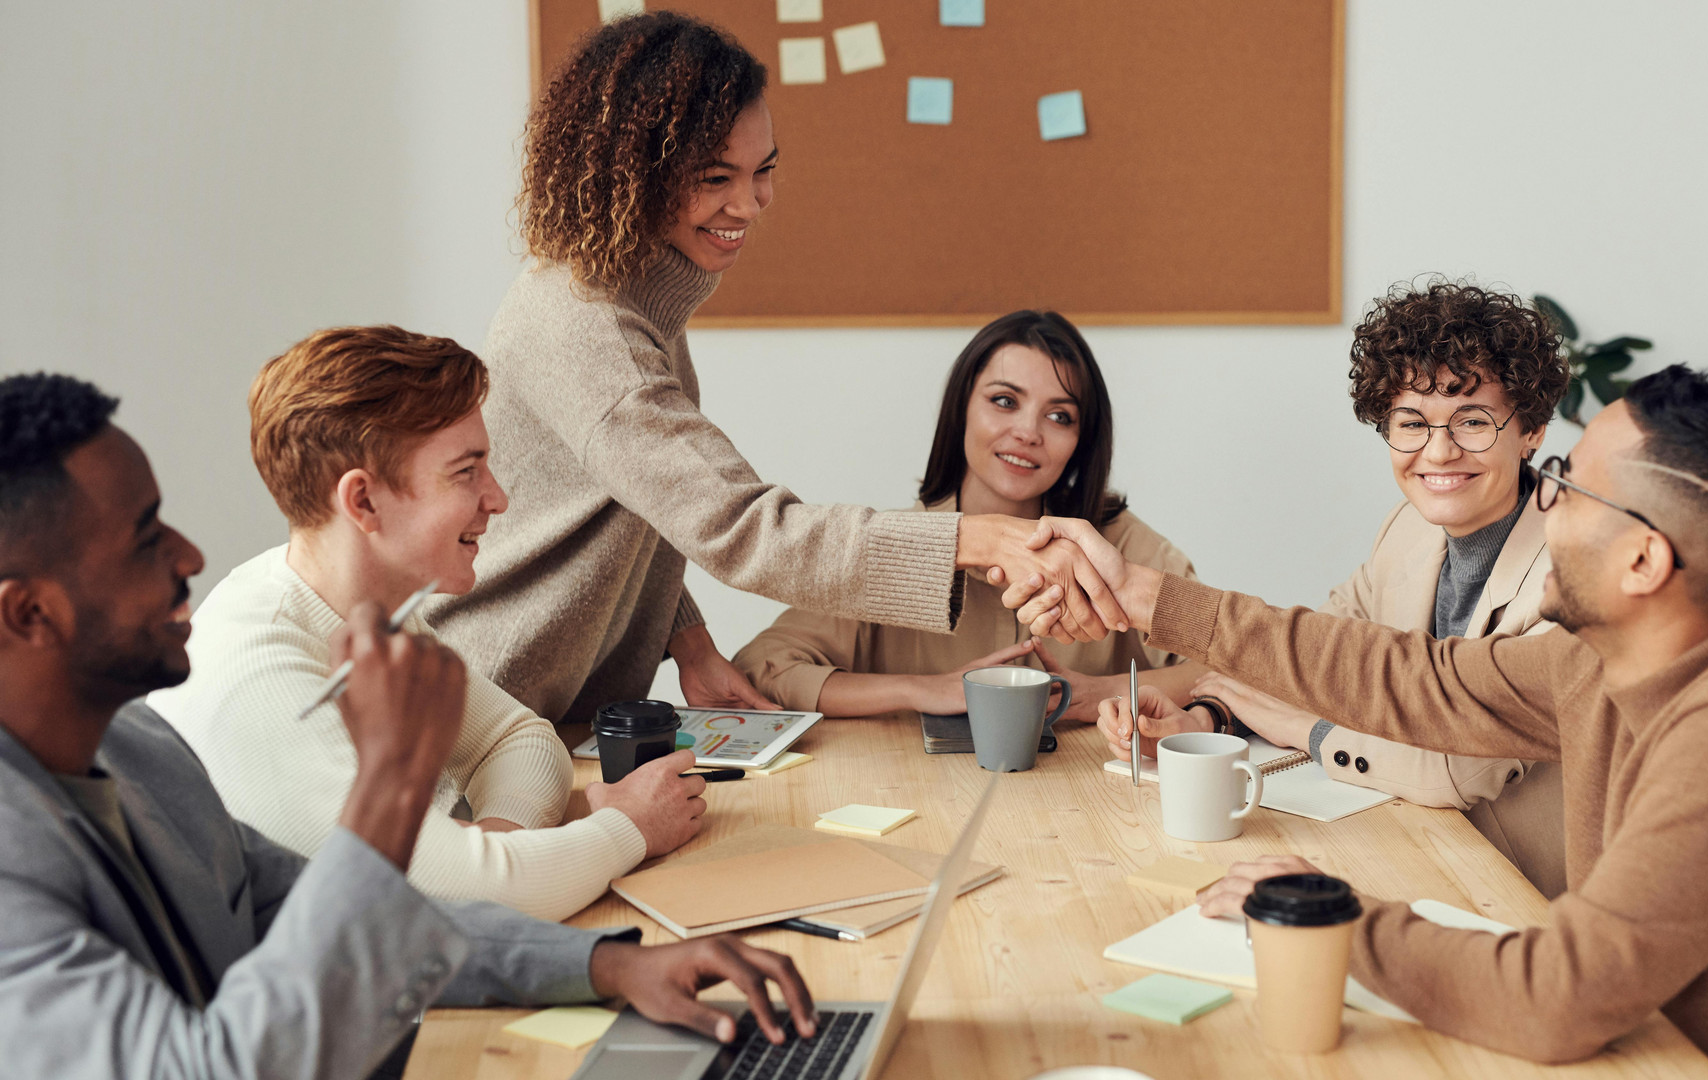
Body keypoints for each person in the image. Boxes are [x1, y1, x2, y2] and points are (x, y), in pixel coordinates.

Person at [1034, 367, 1708, 1079]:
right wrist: (1152, 599)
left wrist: (1330, 916)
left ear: (1644, 559)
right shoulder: (1605, 658)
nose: (1543, 501)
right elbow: (1415, 680)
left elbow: (1554, 998)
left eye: (1565, 484)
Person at [0, 373, 816, 1080]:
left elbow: (342, 913)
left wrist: (608, 964)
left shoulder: (139, 752)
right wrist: (395, 782)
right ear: (29, 611)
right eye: (146, 539)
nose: (188, 555)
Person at [426, 12, 1127, 726]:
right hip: (485, 714)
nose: (750, 203)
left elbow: (642, 504)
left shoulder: (631, 300)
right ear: (634, 175)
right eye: (715, 177)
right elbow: (745, 527)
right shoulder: (590, 329)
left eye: (764, 170)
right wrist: (970, 539)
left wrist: (689, 642)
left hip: (555, 716)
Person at [147, 327, 705, 920]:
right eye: (466, 472)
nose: (498, 499)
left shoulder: (363, 607)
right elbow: (466, 904)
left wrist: (496, 849)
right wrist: (627, 826)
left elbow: (521, 740)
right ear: (362, 502)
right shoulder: (261, 674)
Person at [1122, 281, 1572, 896]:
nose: (1438, 452)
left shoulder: (1574, 569)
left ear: (1533, 430)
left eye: (1472, 421)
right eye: (1411, 423)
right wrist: (1208, 718)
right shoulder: (1408, 527)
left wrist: (1306, 731)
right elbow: (1316, 656)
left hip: (1521, 894)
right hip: (1410, 851)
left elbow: (1458, 769)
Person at [733, 311, 1199, 719]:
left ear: (1083, 442)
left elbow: (1233, 667)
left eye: (1060, 416)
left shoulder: (1122, 546)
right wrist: (921, 689)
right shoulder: (894, 547)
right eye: (1004, 401)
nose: (1028, 432)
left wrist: (1106, 692)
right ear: (961, 410)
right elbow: (762, 667)